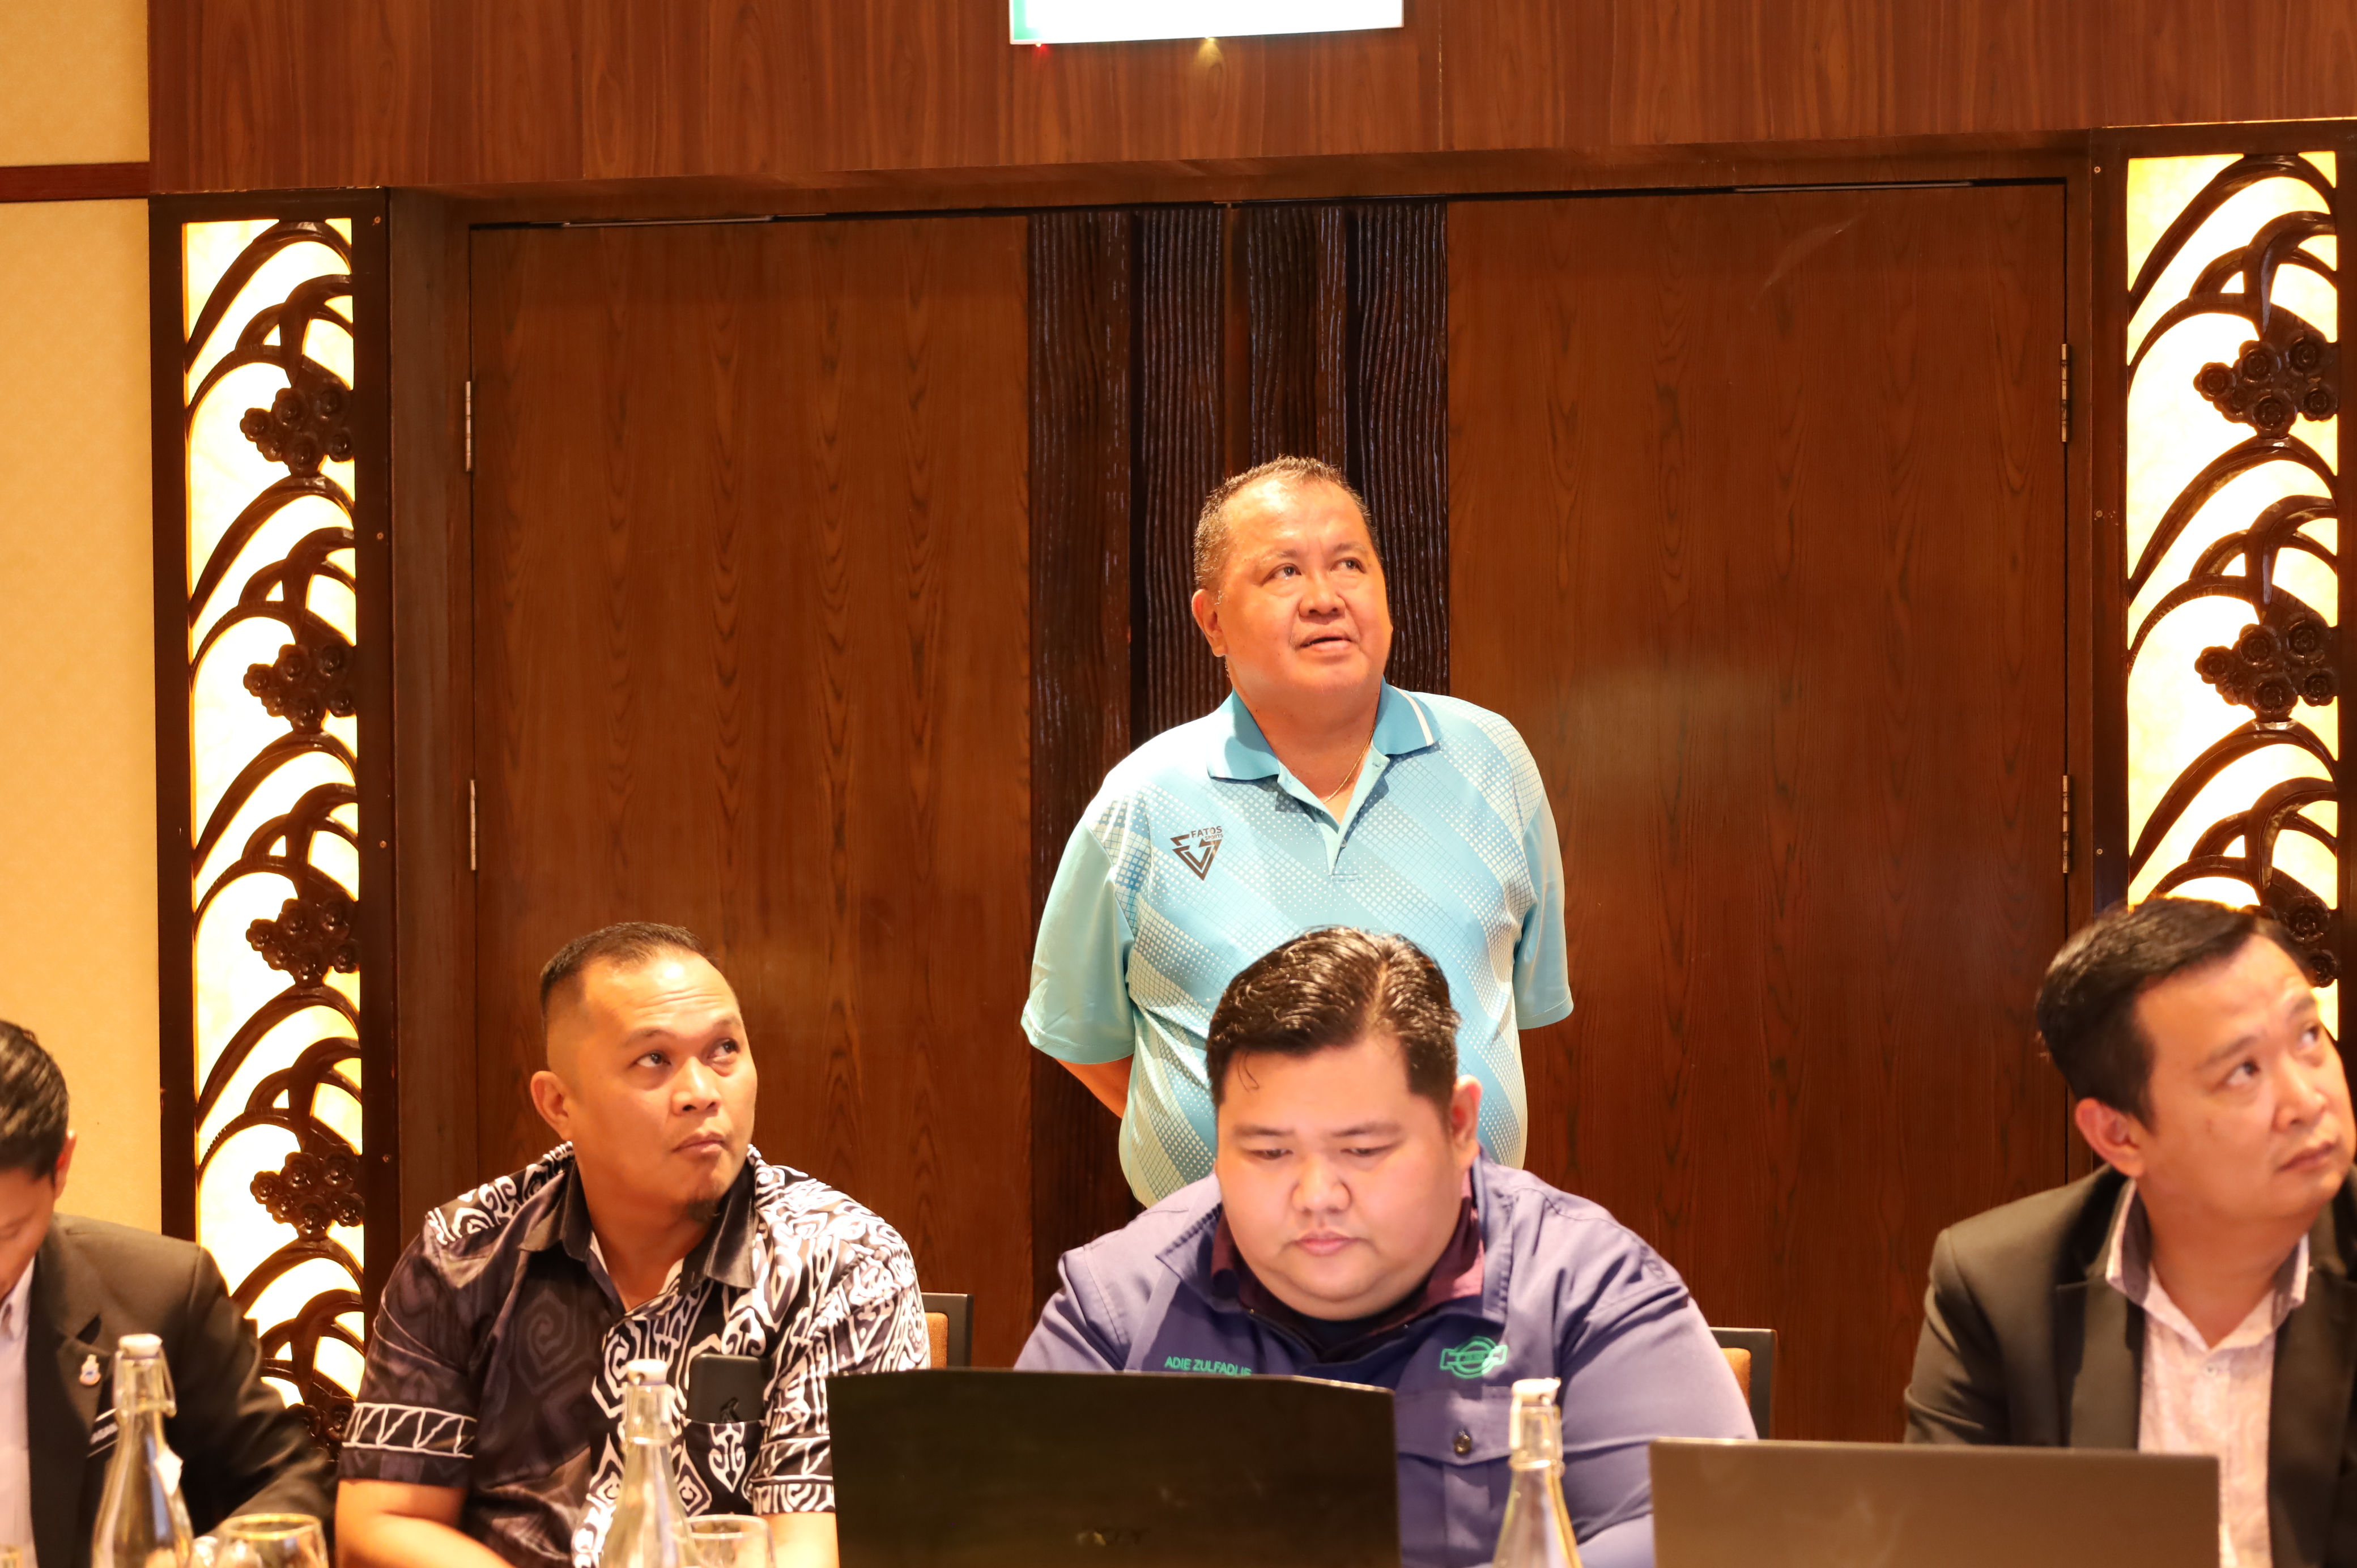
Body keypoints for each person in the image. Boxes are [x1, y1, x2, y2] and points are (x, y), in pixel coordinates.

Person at [1019, 927, 1750, 1568]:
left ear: (1458, 1124)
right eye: (1269, 1152)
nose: (1316, 1195)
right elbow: (1008, 1535)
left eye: (1362, 1150)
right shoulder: (1120, 1302)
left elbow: (1710, 1540)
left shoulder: (1586, 1289)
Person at [1027, 455, 1572, 1204]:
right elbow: (1081, 1035)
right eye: (1284, 571)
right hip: (1218, 1258)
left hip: (1460, 1250)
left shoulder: (1492, 761)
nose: (1324, 598)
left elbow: (1517, 1003)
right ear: (1212, 621)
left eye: (1350, 563)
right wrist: (1218, 1148)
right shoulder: (1144, 803)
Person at [337, 923, 928, 1568]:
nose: (701, 1092)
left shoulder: (840, 1261)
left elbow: (810, 1551)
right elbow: (381, 1524)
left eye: (724, 1049)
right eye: (654, 1059)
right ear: (559, 1104)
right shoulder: (464, 1251)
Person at [1905, 897, 2357, 1568]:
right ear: (2118, 1133)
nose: (2305, 1099)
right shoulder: (1997, 1289)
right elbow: (1945, 1547)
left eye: (2307, 1036)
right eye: (2242, 1070)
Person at [0, 1021, 332, 1568]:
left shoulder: (163, 1293)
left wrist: (199, 1560)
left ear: (61, 1166)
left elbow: (290, 1482)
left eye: (8, 1233)